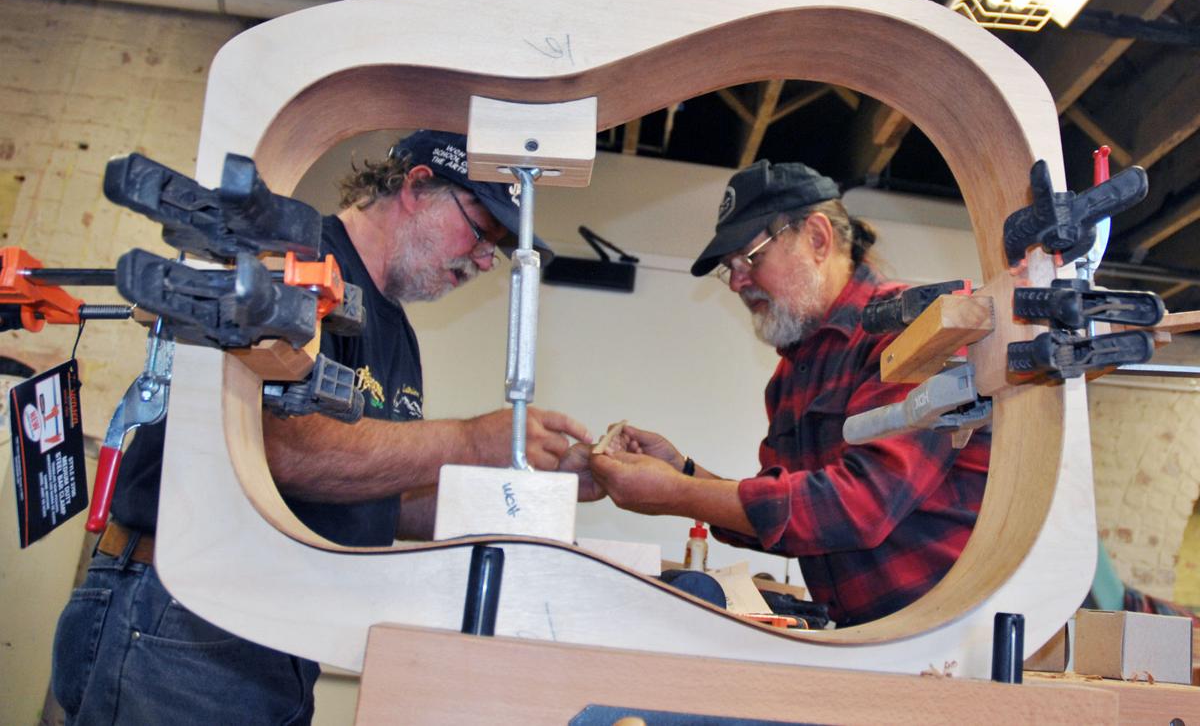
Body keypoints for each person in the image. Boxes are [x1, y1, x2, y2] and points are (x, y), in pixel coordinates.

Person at [50, 130, 591, 724]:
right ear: (416, 187)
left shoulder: (396, 329)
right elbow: (284, 451)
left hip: (276, 635)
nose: (487, 259)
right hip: (189, 619)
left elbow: (378, 500)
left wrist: (531, 488)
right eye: (484, 231)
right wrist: (465, 441)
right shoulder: (294, 266)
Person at [588, 159, 990, 627]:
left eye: (749, 258)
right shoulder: (790, 375)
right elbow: (785, 521)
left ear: (817, 239)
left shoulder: (911, 332)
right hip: (870, 640)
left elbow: (858, 506)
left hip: (952, 638)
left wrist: (679, 494)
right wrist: (684, 472)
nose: (738, 281)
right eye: (729, 268)